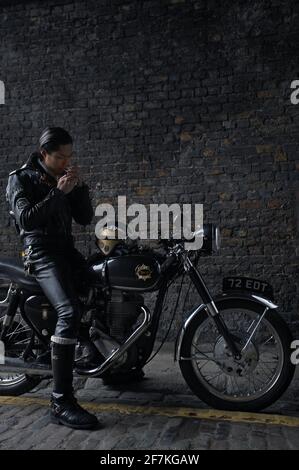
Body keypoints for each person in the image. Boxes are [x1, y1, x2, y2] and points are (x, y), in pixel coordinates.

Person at [6, 127, 99, 430]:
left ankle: (100, 356)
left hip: (65, 250)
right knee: (69, 310)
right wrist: (58, 192)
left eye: (69, 157)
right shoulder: (20, 178)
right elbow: (26, 219)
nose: (65, 162)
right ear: (44, 153)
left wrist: (79, 187)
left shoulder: (61, 178)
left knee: (101, 286)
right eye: (60, 157)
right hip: (41, 253)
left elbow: (84, 218)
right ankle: (61, 401)